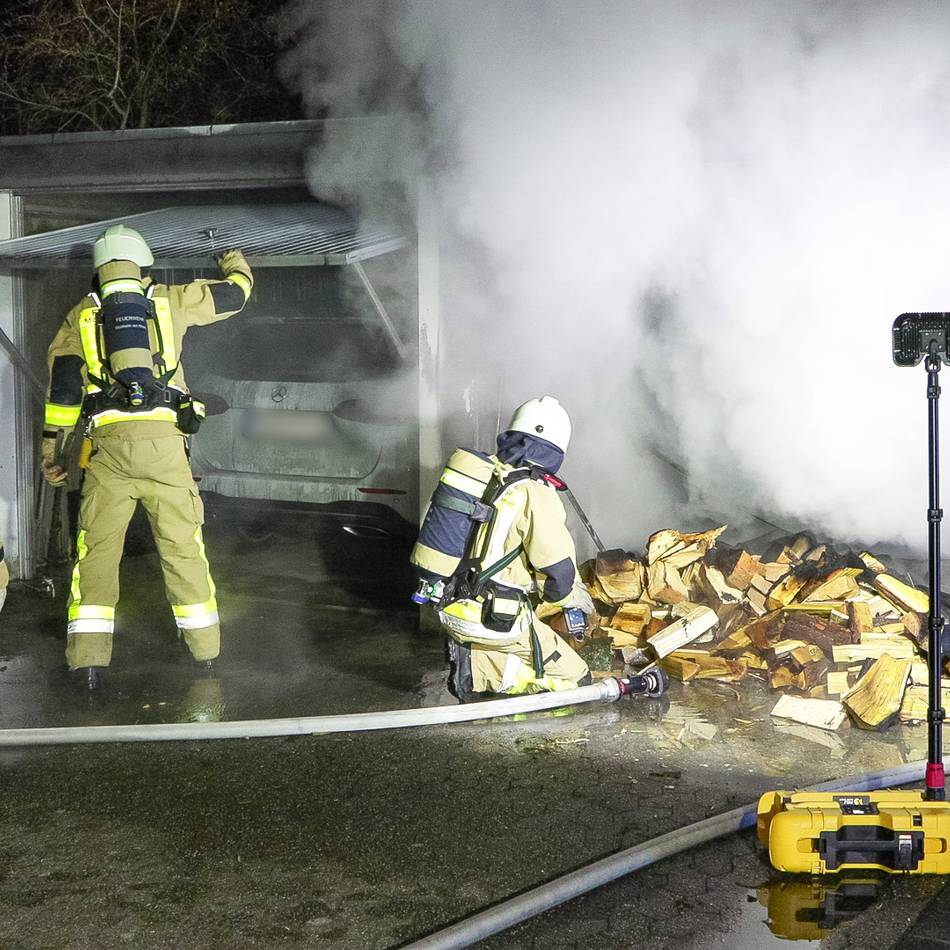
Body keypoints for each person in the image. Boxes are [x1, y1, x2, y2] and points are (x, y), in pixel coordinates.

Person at [41, 224, 253, 689]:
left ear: (98, 270)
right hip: (164, 447)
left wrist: (51, 452)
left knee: (96, 556)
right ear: (141, 263)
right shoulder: (170, 300)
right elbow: (236, 296)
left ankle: (89, 663)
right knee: (183, 550)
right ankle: (205, 656)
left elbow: (63, 394)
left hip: (108, 453)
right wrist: (233, 261)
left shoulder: (78, 317)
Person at [412, 395, 594, 700]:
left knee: (521, 640)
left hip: (447, 602)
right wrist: (571, 601)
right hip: (494, 617)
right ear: (557, 447)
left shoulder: (486, 476)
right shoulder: (535, 492)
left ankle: (475, 665)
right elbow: (558, 572)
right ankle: (482, 676)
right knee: (577, 680)